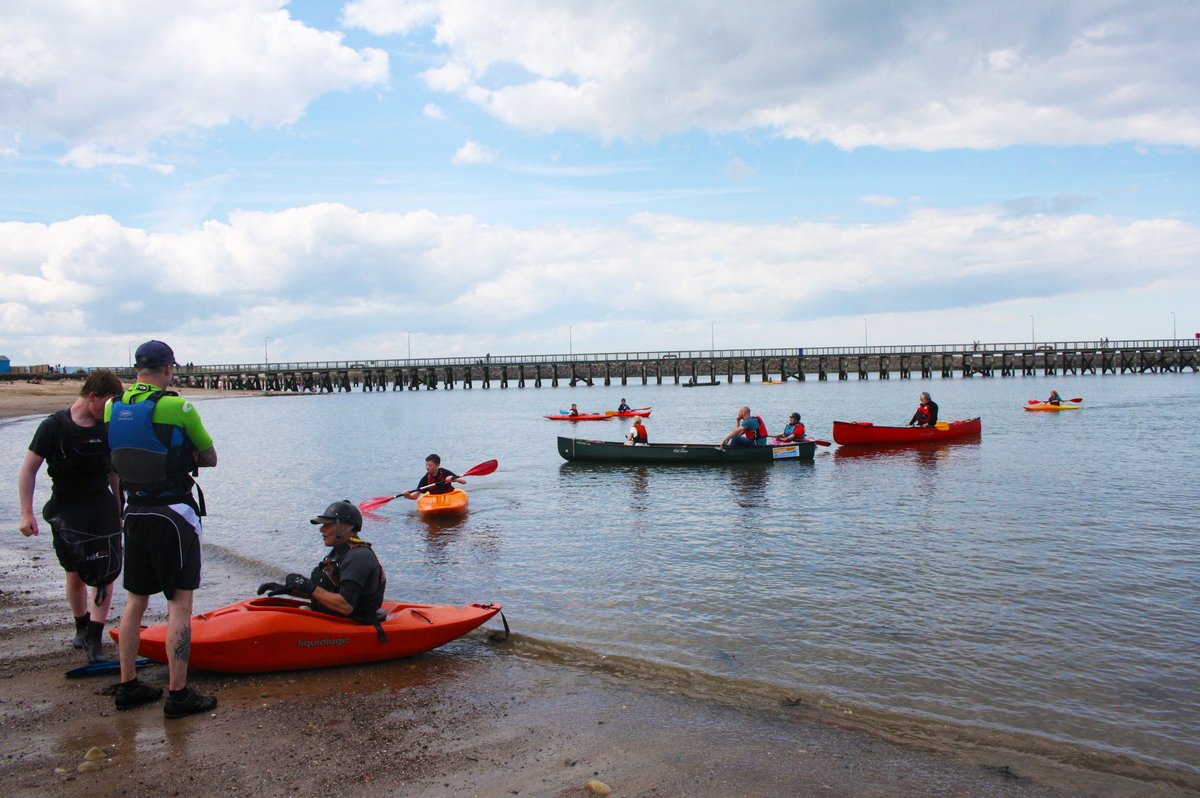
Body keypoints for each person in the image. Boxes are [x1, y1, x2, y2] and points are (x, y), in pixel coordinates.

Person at [105, 340, 218, 718]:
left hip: (133, 512)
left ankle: (127, 686)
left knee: (135, 600)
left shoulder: (112, 406)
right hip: (173, 514)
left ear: (137, 369)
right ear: (168, 369)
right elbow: (210, 457)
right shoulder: (177, 406)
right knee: (179, 604)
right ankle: (178, 694)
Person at [18, 370, 124, 663]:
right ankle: (81, 625)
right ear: (92, 397)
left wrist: (118, 508)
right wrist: (27, 512)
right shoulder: (54, 426)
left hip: (101, 507)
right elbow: (28, 469)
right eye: (108, 402)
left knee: (105, 572)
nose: (111, 409)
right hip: (66, 510)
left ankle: (95, 638)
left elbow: (113, 472)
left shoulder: (108, 428)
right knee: (75, 573)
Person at [257, 501, 386, 625]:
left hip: (353, 624)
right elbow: (326, 594)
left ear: (345, 527)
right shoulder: (338, 553)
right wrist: (287, 589)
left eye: (327, 525)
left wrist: (309, 586)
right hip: (336, 618)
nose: (321, 530)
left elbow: (346, 606)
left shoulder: (358, 557)